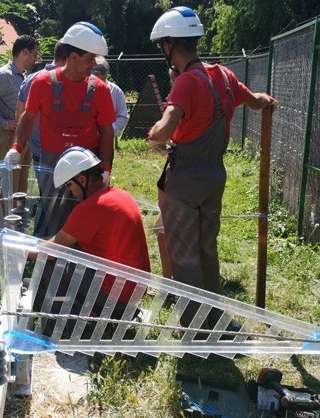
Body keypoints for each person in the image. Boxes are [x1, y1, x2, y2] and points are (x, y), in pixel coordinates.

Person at [146, 7, 278, 324]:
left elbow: (164, 130)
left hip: (185, 180)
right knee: (207, 248)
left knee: (184, 255)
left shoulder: (186, 83)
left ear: (169, 44)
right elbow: (256, 100)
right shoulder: (225, 77)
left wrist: (153, 135)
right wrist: (267, 101)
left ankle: (194, 327)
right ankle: (214, 315)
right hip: (214, 176)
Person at [7, 22, 116, 237]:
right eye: (90, 59)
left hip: (88, 169)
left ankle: (82, 256)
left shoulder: (100, 90)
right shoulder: (42, 83)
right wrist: (16, 148)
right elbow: (28, 118)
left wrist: (105, 170)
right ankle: (55, 253)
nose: (94, 64)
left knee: (86, 220)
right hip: (51, 165)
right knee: (55, 215)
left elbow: (107, 132)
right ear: (73, 57)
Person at [41, 147, 151, 319]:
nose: (70, 192)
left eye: (69, 185)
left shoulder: (90, 208)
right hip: (135, 292)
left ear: (82, 180)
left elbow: (50, 251)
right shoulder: (121, 196)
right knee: (70, 248)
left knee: (55, 259)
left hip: (115, 297)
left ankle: (60, 316)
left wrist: (19, 250)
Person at [15, 40, 68, 236]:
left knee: (47, 197)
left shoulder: (31, 79)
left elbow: (20, 115)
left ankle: (41, 239)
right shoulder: (67, 80)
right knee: (55, 200)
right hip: (60, 152)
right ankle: (43, 240)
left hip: (38, 150)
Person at [0, 34, 39, 194]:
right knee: (9, 191)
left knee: (20, 192)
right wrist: (4, 123)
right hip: (9, 137)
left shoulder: (22, 76)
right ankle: (4, 213)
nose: (36, 59)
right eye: (34, 54)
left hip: (22, 137)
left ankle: (18, 213)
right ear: (25, 52)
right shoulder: (5, 75)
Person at [91, 56, 129, 140]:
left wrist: (108, 130)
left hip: (106, 138)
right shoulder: (81, 88)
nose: (99, 84)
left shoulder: (115, 91)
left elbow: (123, 117)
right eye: (96, 80)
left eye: (102, 80)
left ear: (106, 75)